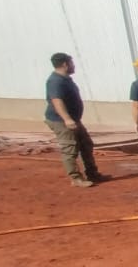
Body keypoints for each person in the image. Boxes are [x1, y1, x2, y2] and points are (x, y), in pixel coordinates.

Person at [44, 52, 105, 188]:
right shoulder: (55, 81)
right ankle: (76, 178)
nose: (74, 66)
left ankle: (92, 173)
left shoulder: (65, 79)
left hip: (74, 119)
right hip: (61, 121)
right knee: (70, 149)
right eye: (72, 63)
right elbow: (56, 100)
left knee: (86, 144)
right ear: (65, 64)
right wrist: (67, 119)